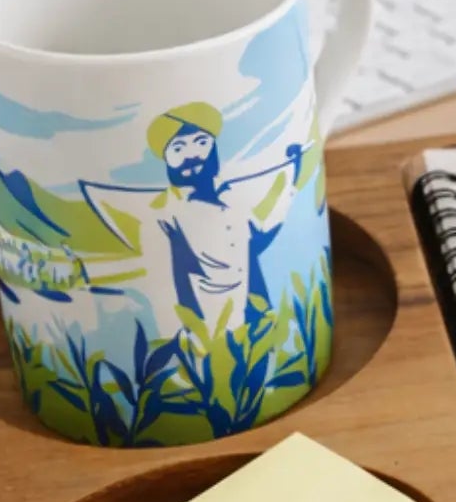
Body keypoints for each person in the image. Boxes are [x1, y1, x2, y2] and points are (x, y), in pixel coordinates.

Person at [81, 104, 303, 338]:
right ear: (167, 162)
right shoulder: (166, 214)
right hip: (209, 321)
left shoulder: (234, 200)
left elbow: (254, 244)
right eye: (178, 148)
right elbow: (173, 275)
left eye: (201, 142)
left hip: (254, 313)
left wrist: (293, 178)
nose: (192, 154)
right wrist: (187, 330)